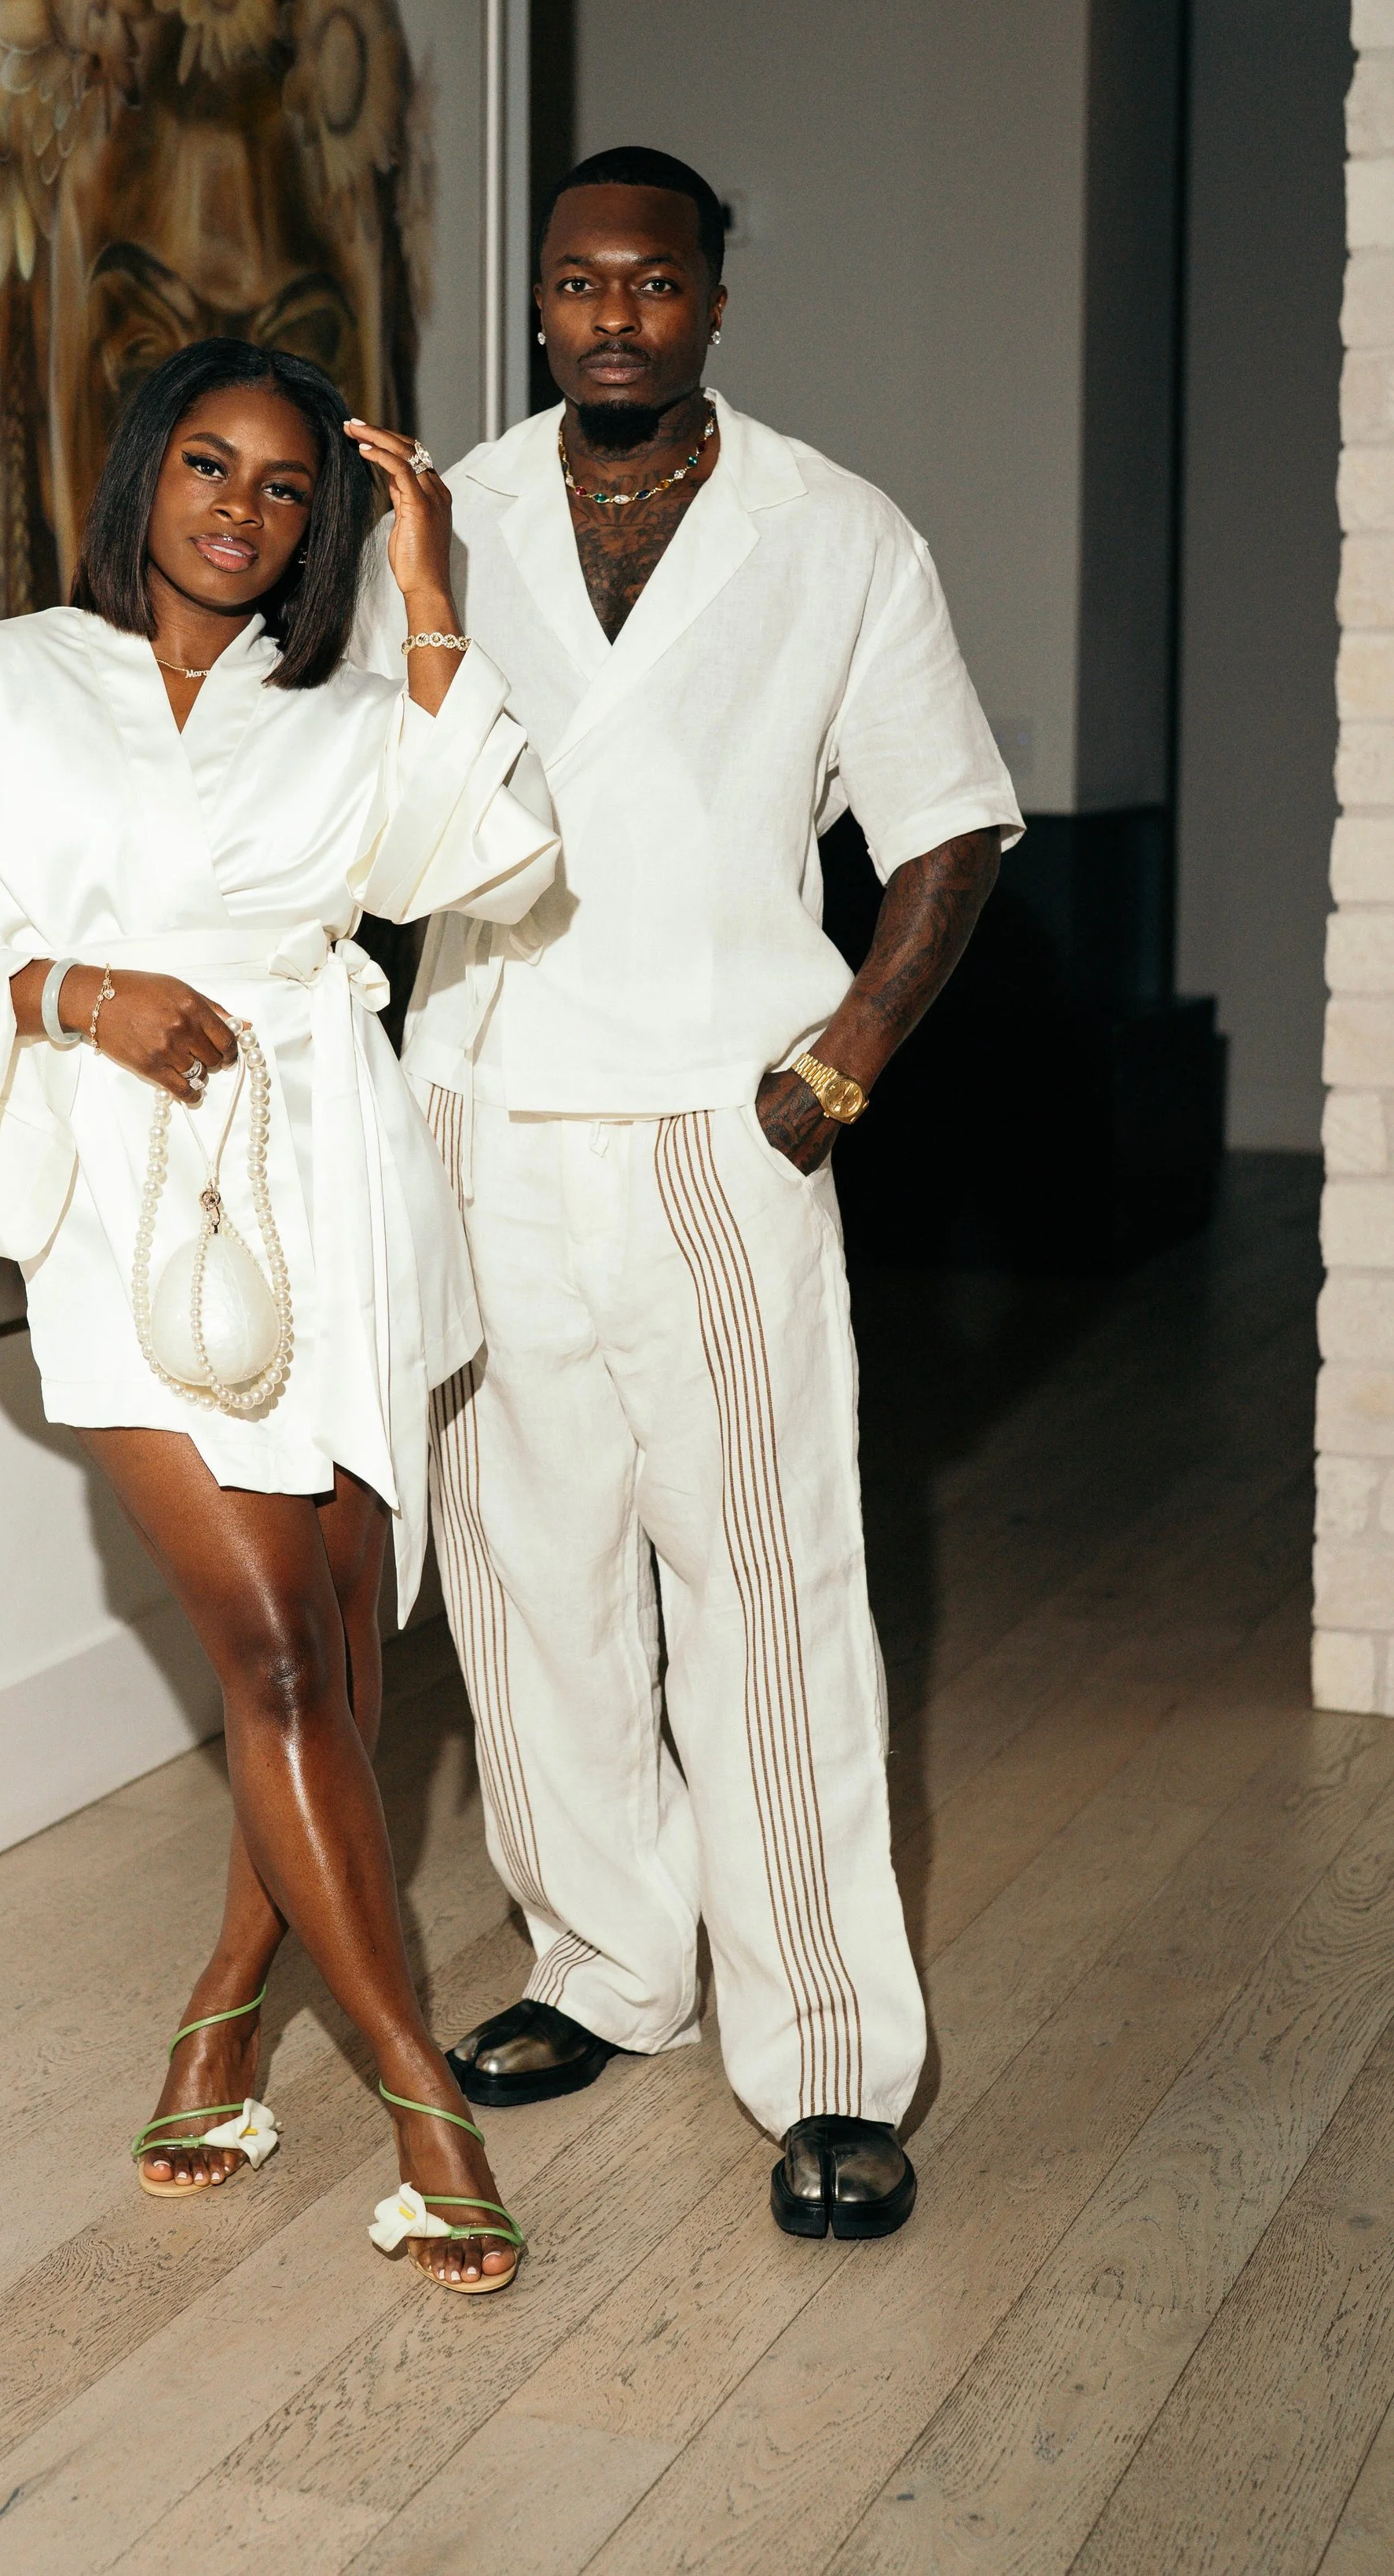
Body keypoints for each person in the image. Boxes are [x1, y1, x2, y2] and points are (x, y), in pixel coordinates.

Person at [0, 338, 558, 2292]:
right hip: (116, 1193)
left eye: (281, 490)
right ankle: (423, 2105)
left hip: (326, 1174)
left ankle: (228, 2003)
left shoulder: (327, 707)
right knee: (264, 1641)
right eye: (207, 468)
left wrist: (427, 600)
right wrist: (80, 994)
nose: (238, 514)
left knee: (330, 1648)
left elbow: (479, 858)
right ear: (142, 468)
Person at [358, 148, 1023, 2240]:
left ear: (715, 298)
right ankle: (604, 1962)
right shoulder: (440, 517)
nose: (611, 316)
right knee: (527, 1579)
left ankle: (823, 2051)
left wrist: (834, 1068)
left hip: (724, 1127)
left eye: (651, 283)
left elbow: (950, 828)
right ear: (537, 304)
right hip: (488, 1106)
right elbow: (383, 812)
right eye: (574, 285)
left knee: (765, 1584)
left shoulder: (834, 533)